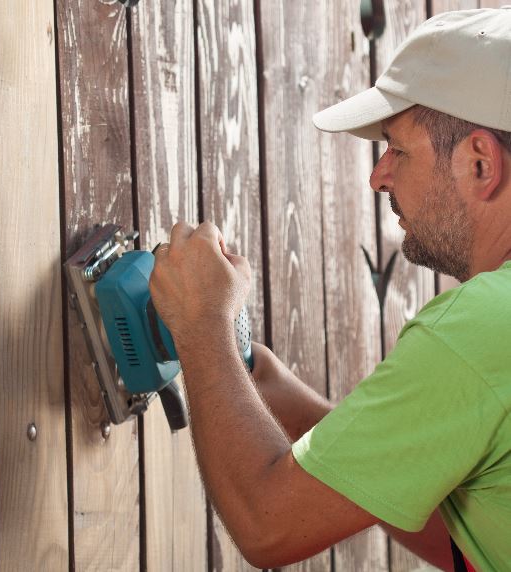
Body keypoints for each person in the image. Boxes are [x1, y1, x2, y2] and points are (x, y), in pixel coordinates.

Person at [149, 7, 511, 570]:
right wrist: (279, 398)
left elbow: (268, 528)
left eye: (398, 149)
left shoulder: (480, 329)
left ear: (481, 163)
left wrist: (202, 325)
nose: (378, 175)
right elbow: (474, 543)